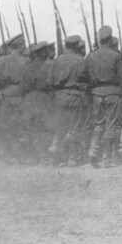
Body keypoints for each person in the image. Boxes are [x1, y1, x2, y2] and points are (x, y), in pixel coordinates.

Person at [83, 26, 122, 166]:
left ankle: (93, 151)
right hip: (113, 93)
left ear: (99, 40)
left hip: (96, 94)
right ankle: (107, 158)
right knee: (110, 125)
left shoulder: (90, 56)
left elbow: (84, 77)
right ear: (110, 39)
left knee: (98, 124)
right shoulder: (116, 56)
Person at [46, 35, 89, 166]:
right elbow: (85, 79)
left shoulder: (56, 61)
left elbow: (49, 81)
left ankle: (55, 153)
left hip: (60, 96)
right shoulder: (80, 60)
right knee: (74, 128)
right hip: (75, 97)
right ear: (76, 46)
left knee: (60, 127)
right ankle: (72, 158)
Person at [0, 33, 28, 159]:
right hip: (21, 95)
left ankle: (7, 154)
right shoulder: (26, 61)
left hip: (6, 96)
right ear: (20, 46)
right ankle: (20, 154)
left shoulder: (0, 62)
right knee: (21, 125)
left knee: (7, 125)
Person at [21, 41, 53, 160]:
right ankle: (44, 155)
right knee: (44, 126)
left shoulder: (27, 68)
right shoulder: (47, 68)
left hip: (29, 99)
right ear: (43, 52)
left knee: (31, 126)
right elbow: (50, 85)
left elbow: (22, 88)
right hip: (43, 98)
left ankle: (32, 156)